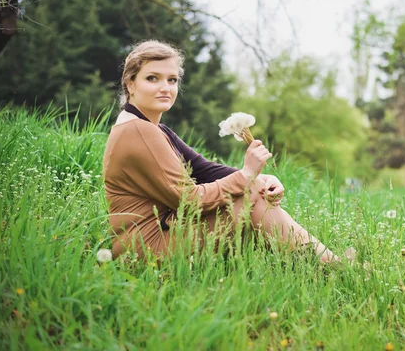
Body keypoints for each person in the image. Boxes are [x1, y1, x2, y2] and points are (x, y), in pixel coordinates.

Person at [103, 40, 339, 263]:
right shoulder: (139, 131)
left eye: (172, 80)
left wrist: (262, 177)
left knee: (256, 189)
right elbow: (189, 201)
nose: (165, 88)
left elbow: (205, 169)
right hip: (145, 250)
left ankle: (321, 262)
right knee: (253, 191)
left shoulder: (151, 128)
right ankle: (329, 265)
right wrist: (247, 176)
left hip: (152, 239)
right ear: (130, 83)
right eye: (152, 78)